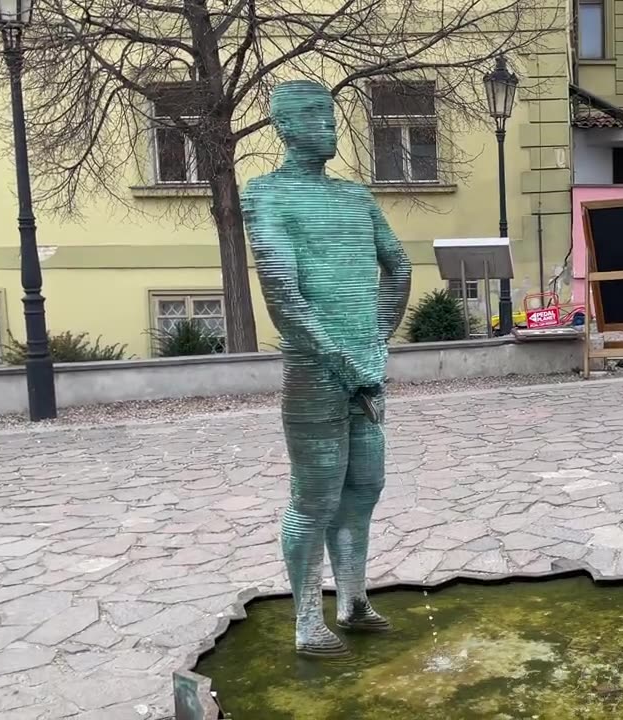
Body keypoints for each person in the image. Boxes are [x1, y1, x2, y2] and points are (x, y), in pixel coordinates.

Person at [243, 80, 413, 657]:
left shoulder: (355, 198)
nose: (329, 124)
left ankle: (354, 599)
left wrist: (375, 340)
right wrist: (337, 354)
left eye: (331, 113)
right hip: (315, 372)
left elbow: (400, 266)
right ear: (284, 127)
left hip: (364, 367)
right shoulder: (265, 195)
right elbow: (282, 294)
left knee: (365, 484)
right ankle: (306, 620)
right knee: (313, 496)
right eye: (314, 116)